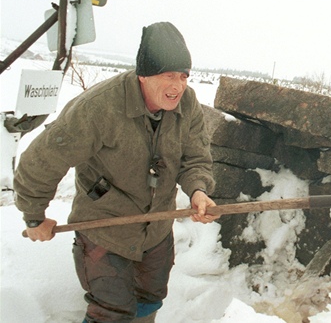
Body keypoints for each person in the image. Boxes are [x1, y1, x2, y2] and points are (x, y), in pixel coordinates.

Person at [13, 21, 219, 323]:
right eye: (168, 75)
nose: (178, 86)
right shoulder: (99, 107)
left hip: (157, 228)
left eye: (183, 76)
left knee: (150, 298)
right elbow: (42, 160)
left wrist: (198, 190)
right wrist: (34, 215)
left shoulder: (187, 106)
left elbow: (195, 157)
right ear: (144, 75)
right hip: (105, 228)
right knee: (111, 311)